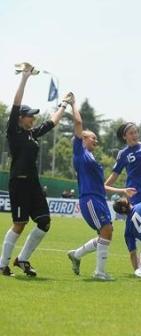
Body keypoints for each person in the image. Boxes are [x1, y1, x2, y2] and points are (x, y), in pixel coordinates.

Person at [0, 66, 68, 277]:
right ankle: (2, 264)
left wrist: (65, 104)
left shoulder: (32, 134)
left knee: (44, 222)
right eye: (30, 116)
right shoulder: (14, 130)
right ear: (20, 118)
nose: (33, 119)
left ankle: (22, 259)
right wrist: (25, 77)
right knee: (19, 224)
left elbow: (53, 122)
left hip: (33, 184)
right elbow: (17, 102)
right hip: (19, 182)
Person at [66, 94, 136, 280]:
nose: (95, 141)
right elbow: (78, 123)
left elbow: (102, 187)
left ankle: (77, 255)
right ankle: (99, 272)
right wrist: (73, 104)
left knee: (106, 232)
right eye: (92, 138)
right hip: (89, 199)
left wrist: (121, 191)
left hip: (98, 198)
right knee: (107, 230)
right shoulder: (80, 152)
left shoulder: (91, 158)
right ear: (83, 139)